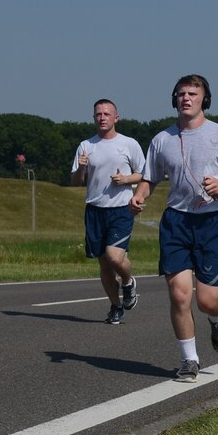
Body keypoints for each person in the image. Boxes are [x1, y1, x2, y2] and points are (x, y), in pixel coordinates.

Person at [137, 74, 218, 383]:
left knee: (206, 300)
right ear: (174, 99)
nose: (186, 98)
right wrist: (140, 195)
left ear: (205, 99)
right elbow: (150, 177)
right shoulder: (162, 140)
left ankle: (217, 318)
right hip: (176, 222)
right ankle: (189, 359)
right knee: (179, 295)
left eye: (193, 93)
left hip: (213, 223)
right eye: (181, 93)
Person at [70, 99, 147, 324]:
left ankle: (128, 281)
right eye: (98, 114)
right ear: (94, 118)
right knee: (104, 263)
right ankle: (115, 306)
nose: (102, 117)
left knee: (115, 256)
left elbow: (144, 173)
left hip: (121, 209)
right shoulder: (86, 146)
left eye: (106, 114)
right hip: (95, 210)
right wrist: (82, 167)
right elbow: (75, 181)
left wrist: (125, 179)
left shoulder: (129, 144)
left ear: (116, 118)